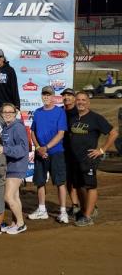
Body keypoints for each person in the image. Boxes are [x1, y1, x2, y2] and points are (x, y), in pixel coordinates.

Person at [69, 92, 118, 227]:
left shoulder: (95, 118)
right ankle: (87, 209)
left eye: (83, 100)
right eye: (78, 100)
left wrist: (102, 150)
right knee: (79, 186)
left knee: (90, 186)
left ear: (88, 102)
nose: (81, 102)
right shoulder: (73, 118)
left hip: (89, 159)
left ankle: (88, 217)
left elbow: (114, 133)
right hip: (75, 159)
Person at [29, 86, 69, 224]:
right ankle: (42, 210)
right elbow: (33, 132)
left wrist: (46, 147)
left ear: (53, 96)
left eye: (49, 94)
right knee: (40, 182)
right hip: (41, 153)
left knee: (60, 182)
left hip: (56, 152)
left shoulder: (59, 112)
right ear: (41, 96)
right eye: (44, 94)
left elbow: (61, 133)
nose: (46, 97)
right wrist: (39, 147)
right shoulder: (37, 112)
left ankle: (63, 212)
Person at [0, 103, 29, 234]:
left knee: (8, 196)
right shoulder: (6, 127)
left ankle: (21, 224)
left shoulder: (18, 127)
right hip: (9, 165)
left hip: (17, 166)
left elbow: (23, 149)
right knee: (15, 197)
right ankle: (14, 223)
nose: (7, 114)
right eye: (5, 112)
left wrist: (5, 149)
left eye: (10, 112)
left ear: (15, 113)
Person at [60, 88, 81, 218]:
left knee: (79, 181)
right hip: (63, 150)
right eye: (65, 95)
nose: (66, 97)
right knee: (68, 180)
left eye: (69, 95)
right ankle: (74, 205)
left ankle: (86, 205)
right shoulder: (60, 112)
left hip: (77, 151)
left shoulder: (79, 112)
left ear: (74, 98)